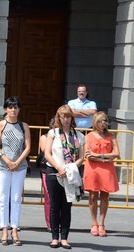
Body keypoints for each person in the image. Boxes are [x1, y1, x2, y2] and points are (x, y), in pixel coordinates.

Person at [44, 105, 85, 249]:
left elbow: (81, 157)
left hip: (70, 173)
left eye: (68, 116)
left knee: (67, 206)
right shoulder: (53, 133)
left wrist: (69, 169)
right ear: (59, 118)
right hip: (54, 171)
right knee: (55, 206)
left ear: (72, 118)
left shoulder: (79, 135)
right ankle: (55, 237)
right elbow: (47, 153)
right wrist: (59, 168)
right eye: (63, 116)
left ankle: (65, 238)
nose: (66, 119)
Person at [0, 97, 31, 246]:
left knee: (15, 198)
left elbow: (27, 147)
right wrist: (8, 161)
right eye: (10, 107)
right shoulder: (0, 125)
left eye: (15, 107)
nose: (13, 110)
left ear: (19, 109)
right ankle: (4, 229)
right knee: (3, 197)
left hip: (19, 167)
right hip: (2, 166)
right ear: (6, 109)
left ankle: (14, 228)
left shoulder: (24, 126)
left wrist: (16, 163)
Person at [83, 111, 119, 237]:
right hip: (93, 169)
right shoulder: (88, 136)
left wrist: (100, 155)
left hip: (107, 170)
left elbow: (116, 153)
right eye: (100, 121)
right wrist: (106, 159)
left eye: (105, 120)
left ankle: (102, 223)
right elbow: (88, 155)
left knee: (105, 196)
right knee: (93, 196)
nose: (103, 123)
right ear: (95, 122)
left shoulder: (111, 136)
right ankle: (94, 223)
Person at [38, 117, 56, 232]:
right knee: (49, 197)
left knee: (60, 198)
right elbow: (46, 152)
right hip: (47, 169)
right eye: (55, 124)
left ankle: (58, 221)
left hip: (62, 169)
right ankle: (50, 223)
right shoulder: (44, 137)